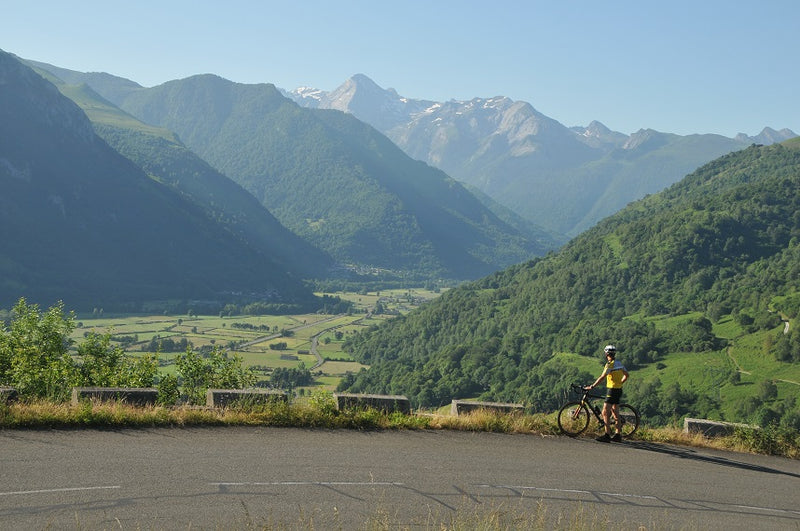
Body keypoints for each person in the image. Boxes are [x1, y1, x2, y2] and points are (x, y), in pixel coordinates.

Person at [586, 345, 629, 442]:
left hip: (612, 390)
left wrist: (592, 386)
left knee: (605, 412)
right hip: (618, 389)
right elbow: (627, 375)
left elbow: (602, 377)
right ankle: (618, 435)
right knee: (615, 412)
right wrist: (620, 382)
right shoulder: (619, 363)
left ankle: (607, 435)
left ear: (606, 354)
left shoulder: (609, 365)